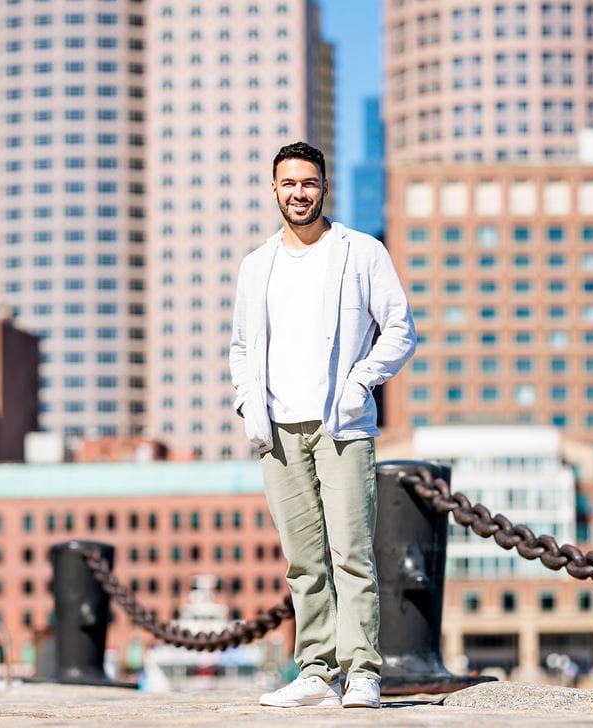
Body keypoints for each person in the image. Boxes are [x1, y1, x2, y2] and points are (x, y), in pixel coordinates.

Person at [229, 141, 416, 708]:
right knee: (303, 561)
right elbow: (241, 346)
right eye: (288, 184)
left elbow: (400, 329)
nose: (298, 193)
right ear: (274, 190)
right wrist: (247, 402)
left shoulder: (360, 252)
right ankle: (315, 671)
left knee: (351, 552)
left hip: (341, 426)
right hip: (279, 430)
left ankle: (362, 673)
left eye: (308, 183)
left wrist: (361, 381)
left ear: (324, 187)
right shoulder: (257, 265)